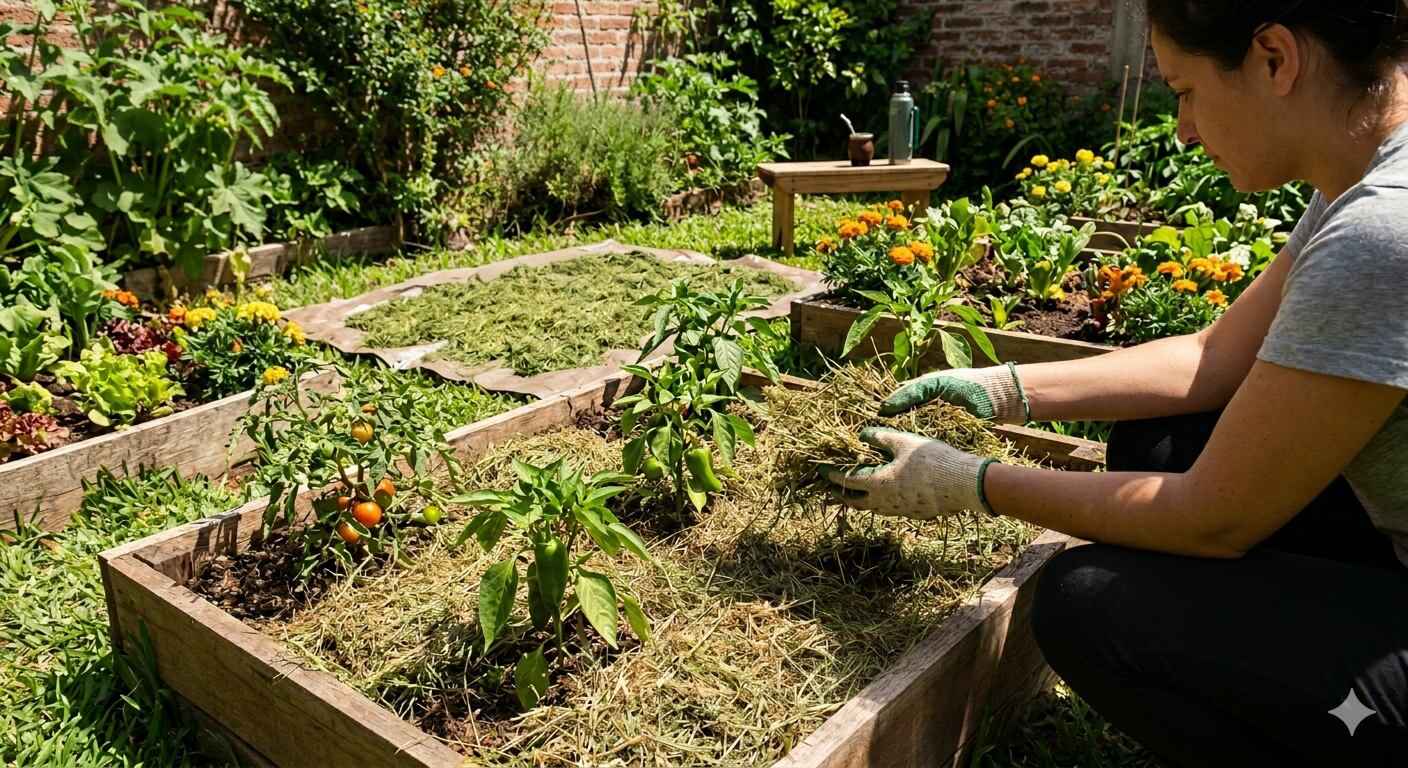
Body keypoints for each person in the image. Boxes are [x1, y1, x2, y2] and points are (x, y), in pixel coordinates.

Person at [826, 1, 1408, 766]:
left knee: (1088, 605)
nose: (1184, 131)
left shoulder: (1380, 234)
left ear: (1274, 58)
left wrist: (971, 482)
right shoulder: (1359, 178)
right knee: (1156, 444)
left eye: (1185, 91)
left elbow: (1211, 519)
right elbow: (1210, 358)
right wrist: (1004, 386)